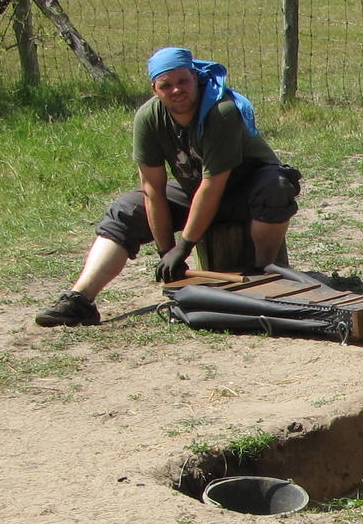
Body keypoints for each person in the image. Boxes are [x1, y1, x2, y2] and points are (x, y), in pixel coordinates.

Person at [35, 46, 300, 326]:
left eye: (183, 81)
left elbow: (213, 186)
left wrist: (183, 247)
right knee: (125, 210)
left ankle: (265, 278)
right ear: (155, 89)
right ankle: (80, 299)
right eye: (166, 85)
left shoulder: (221, 111)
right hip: (195, 191)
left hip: (244, 190)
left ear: (194, 78)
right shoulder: (148, 118)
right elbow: (152, 189)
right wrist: (166, 252)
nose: (176, 90)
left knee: (277, 186)